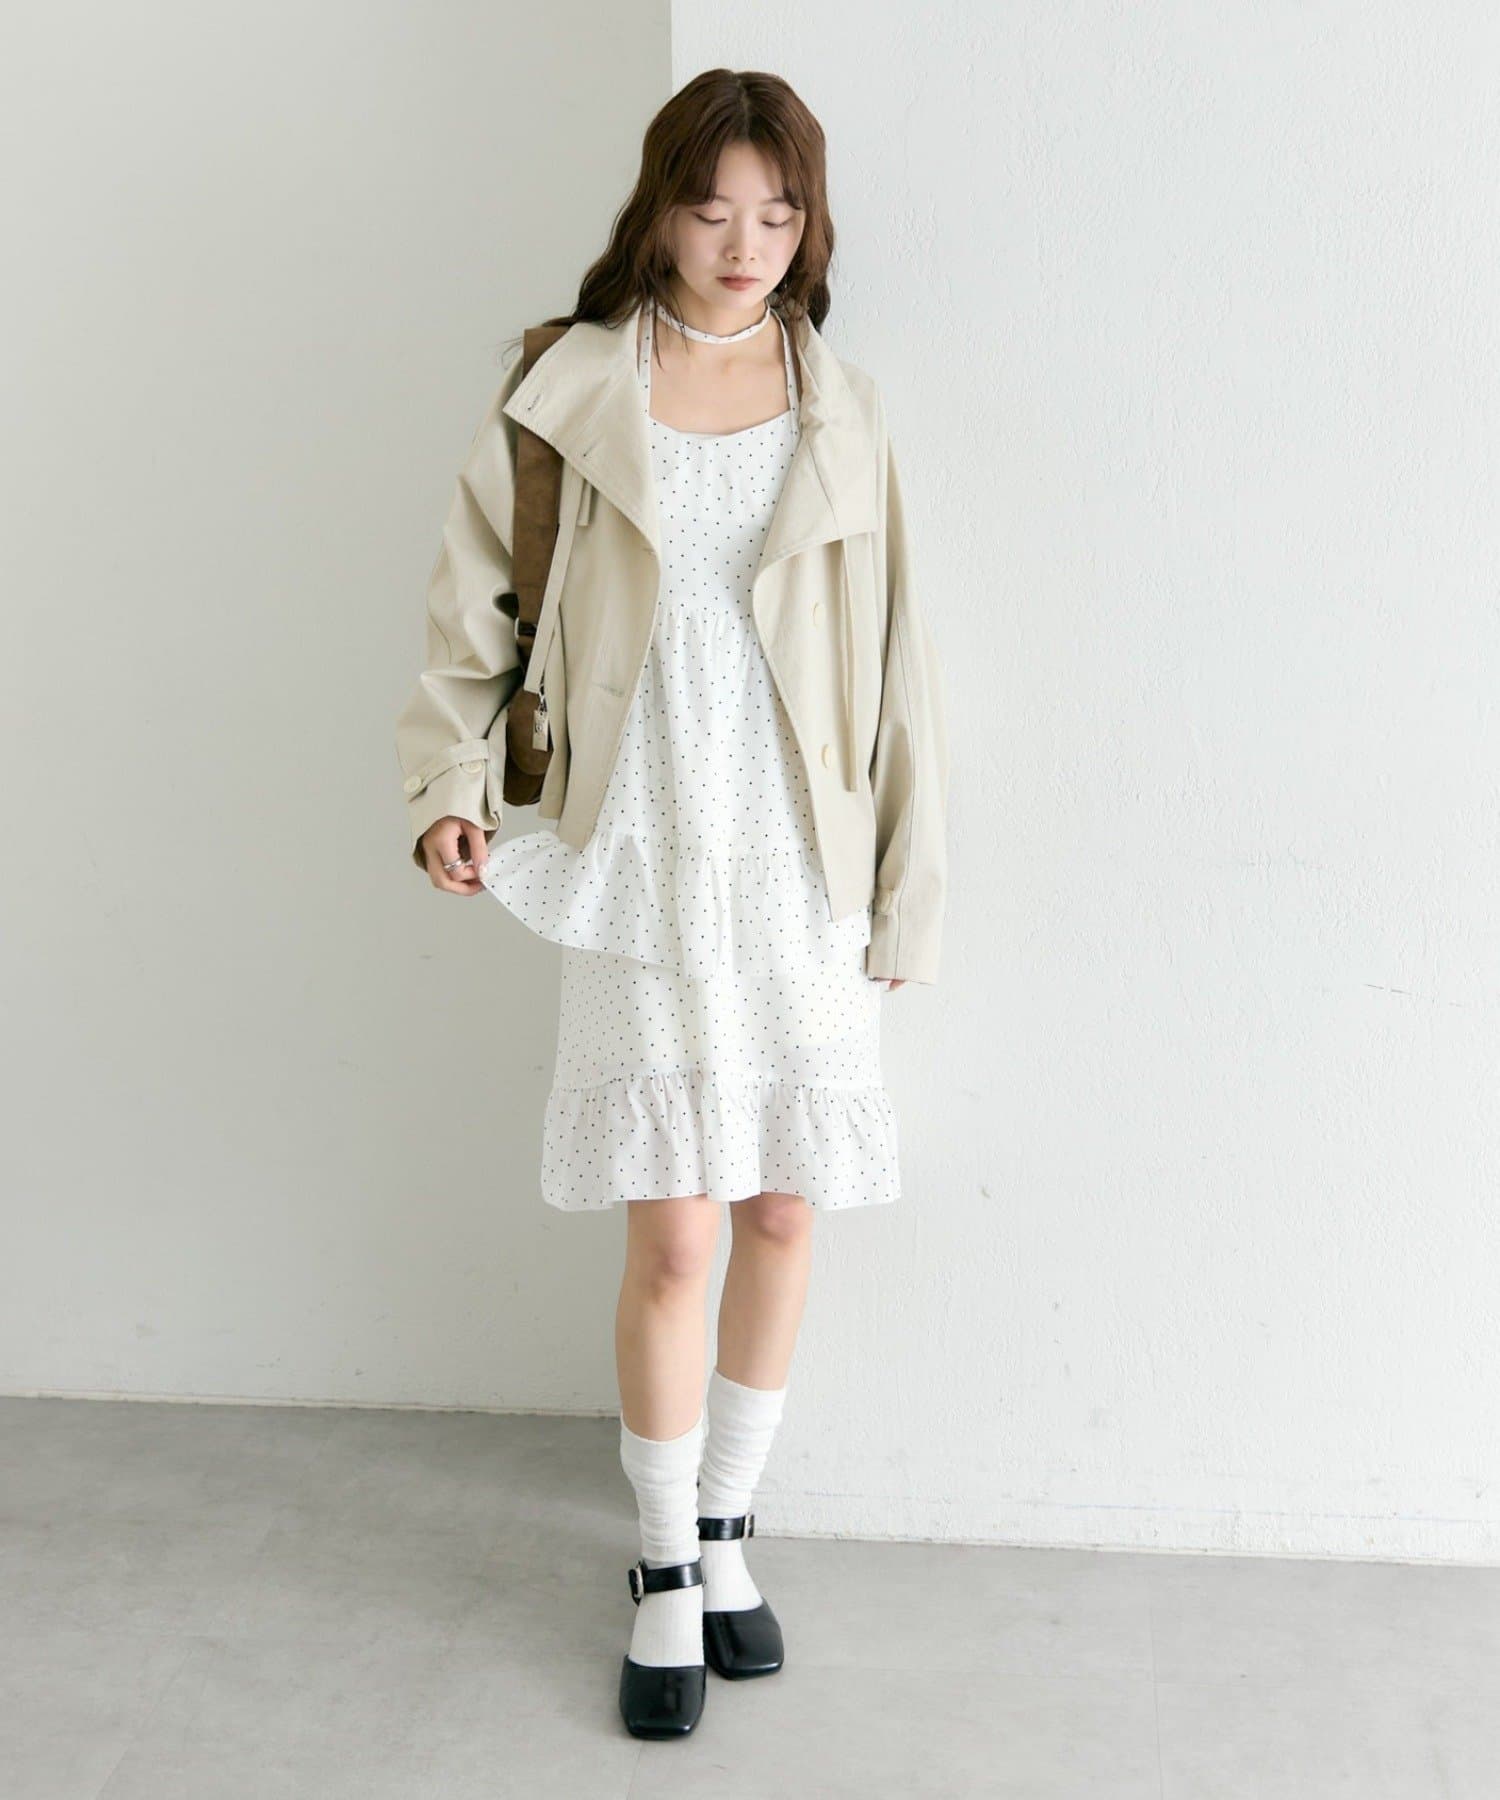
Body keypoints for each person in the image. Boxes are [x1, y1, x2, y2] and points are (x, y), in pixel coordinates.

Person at [394, 68, 949, 1740]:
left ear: (810, 226)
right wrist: (447, 787)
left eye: (777, 213)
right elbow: (471, 616)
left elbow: (898, 667)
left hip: (797, 854)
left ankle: (725, 1532)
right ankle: (656, 1562)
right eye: (713, 209)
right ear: (658, 210)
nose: (743, 243)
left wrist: (905, 885)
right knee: (678, 1226)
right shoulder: (567, 389)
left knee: (780, 1211)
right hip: (640, 846)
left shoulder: (843, 408)